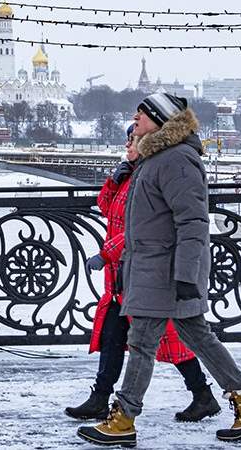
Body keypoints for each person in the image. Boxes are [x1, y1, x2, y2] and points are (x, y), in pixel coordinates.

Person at [77, 93, 241, 448]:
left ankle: (123, 420)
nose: (134, 119)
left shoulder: (176, 159)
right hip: (154, 268)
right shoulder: (156, 158)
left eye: (141, 114)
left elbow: (193, 222)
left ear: (158, 119)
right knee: (196, 338)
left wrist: (185, 275)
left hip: (165, 272)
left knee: (142, 343)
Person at [65, 125, 219, 423]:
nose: (127, 145)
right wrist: (114, 180)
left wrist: (105, 253)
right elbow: (106, 208)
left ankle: (202, 394)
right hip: (122, 274)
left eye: (132, 140)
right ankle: (101, 397)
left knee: (167, 339)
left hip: (142, 269)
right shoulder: (131, 175)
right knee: (114, 333)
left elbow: (144, 229)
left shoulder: (152, 175)